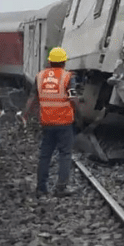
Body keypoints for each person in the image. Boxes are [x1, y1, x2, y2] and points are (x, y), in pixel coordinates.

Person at [20, 47, 80, 197]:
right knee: (65, 154)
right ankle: (61, 187)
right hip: (64, 122)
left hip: (47, 122)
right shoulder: (68, 77)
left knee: (45, 155)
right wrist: (79, 114)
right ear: (64, 62)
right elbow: (73, 98)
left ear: (49, 61)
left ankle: (41, 188)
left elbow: (32, 98)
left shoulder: (40, 76)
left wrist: (25, 115)